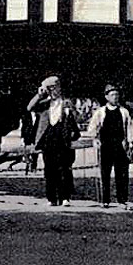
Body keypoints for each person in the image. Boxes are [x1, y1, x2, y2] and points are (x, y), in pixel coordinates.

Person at [27, 76, 80, 206]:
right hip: (48, 139)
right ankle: (51, 198)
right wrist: (39, 95)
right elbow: (29, 108)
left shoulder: (67, 103)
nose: (54, 91)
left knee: (64, 169)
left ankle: (65, 197)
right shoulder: (44, 103)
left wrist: (71, 111)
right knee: (49, 170)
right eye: (50, 88)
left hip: (63, 138)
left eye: (55, 87)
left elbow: (76, 118)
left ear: (60, 88)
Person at [88, 84, 133, 207]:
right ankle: (105, 200)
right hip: (105, 146)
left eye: (117, 95)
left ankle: (122, 199)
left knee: (122, 173)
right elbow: (93, 128)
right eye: (112, 95)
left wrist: (129, 143)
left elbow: (128, 129)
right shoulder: (100, 112)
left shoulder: (124, 111)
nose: (115, 97)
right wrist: (95, 139)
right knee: (105, 173)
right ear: (106, 97)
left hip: (120, 146)